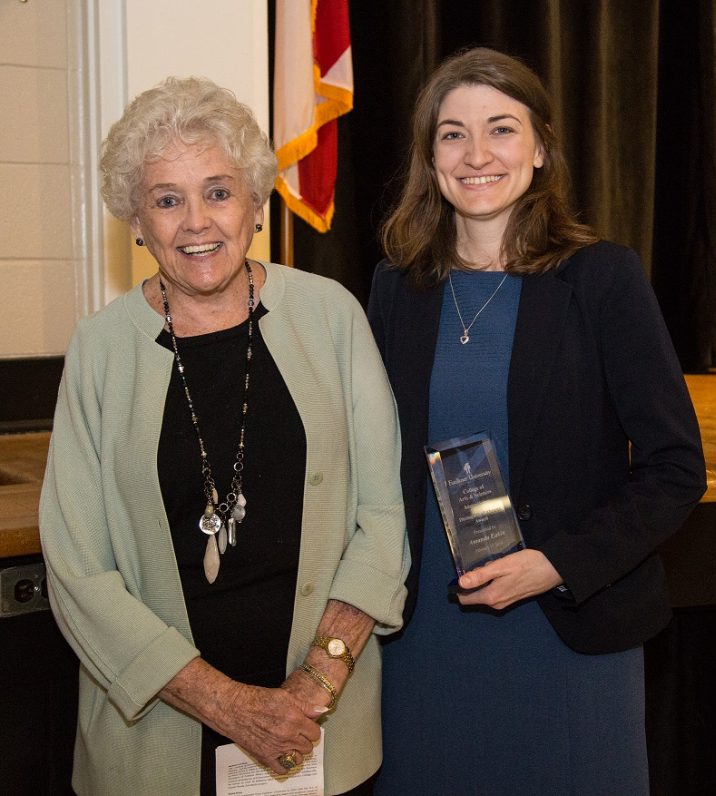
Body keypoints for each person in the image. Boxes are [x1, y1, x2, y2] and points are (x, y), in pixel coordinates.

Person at [39, 76, 409, 796]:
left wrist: (316, 681)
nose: (196, 222)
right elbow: (78, 571)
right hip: (152, 745)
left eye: (218, 190)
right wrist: (231, 706)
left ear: (254, 202)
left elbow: (384, 518)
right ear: (137, 220)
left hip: (317, 730)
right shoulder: (100, 349)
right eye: (167, 199)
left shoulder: (331, 316)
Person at [367, 48, 706, 794]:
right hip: (425, 636)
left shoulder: (603, 279)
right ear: (430, 156)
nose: (478, 154)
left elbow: (676, 470)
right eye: (453, 134)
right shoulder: (397, 288)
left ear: (542, 147)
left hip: (566, 630)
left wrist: (556, 564)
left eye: (502, 129)